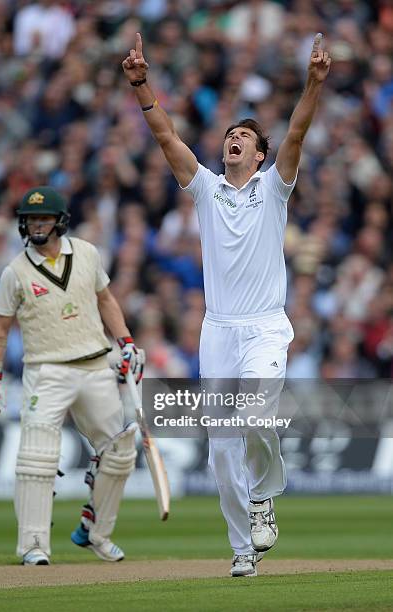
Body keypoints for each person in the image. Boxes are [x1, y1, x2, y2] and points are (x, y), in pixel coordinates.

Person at [123, 33, 331, 577]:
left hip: (264, 327)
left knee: (258, 412)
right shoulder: (205, 189)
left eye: (244, 137)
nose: (233, 141)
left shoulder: (275, 187)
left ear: (258, 154)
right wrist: (143, 89)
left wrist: (312, 82)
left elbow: (299, 130)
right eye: (229, 136)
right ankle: (243, 550)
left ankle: (264, 497)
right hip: (218, 331)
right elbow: (167, 137)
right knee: (220, 448)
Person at [0, 186, 144, 565]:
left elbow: (106, 300)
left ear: (60, 221)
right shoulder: (14, 271)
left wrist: (127, 342)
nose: (36, 224)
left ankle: (96, 533)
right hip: (46, 369)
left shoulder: (86, 253)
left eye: (44, 218)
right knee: (37, 457)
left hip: (95, 365)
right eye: (31, 218)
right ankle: (33, 545)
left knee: (118, 452)